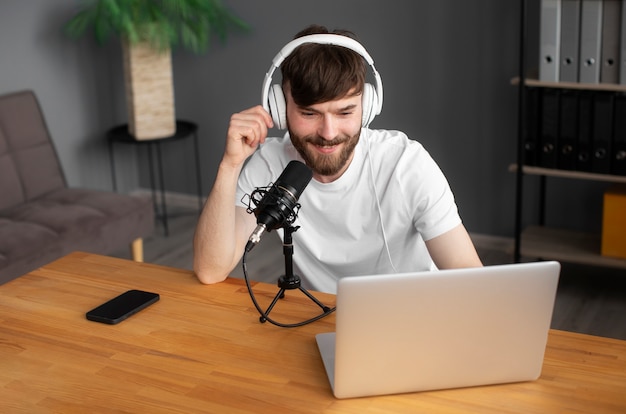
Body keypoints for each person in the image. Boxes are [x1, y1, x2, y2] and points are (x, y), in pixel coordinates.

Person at [193, 24, 483, 294]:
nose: (328, 133)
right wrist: (229, 165)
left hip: (413, 319)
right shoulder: (269, 165)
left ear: (367, 107)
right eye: (309, 113)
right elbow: (210, 270)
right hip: (322, 320)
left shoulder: (406, 165)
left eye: (345, 113)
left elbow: (470, 280)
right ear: (280, 109)